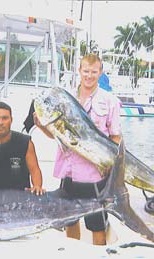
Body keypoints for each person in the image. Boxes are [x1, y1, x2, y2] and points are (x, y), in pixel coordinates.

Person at [34, 54, 121, 245]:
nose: (89, 76)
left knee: (97, 226)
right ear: (79, 71)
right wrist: (41, 126)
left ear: (100, 72)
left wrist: (110, 167)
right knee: (70, 222)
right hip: (69, 173)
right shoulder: (66, 98)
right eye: (86, 71)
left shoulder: (109, 101)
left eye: (94, 72)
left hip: (95, 177)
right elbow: (58, 136)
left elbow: (116, 137)